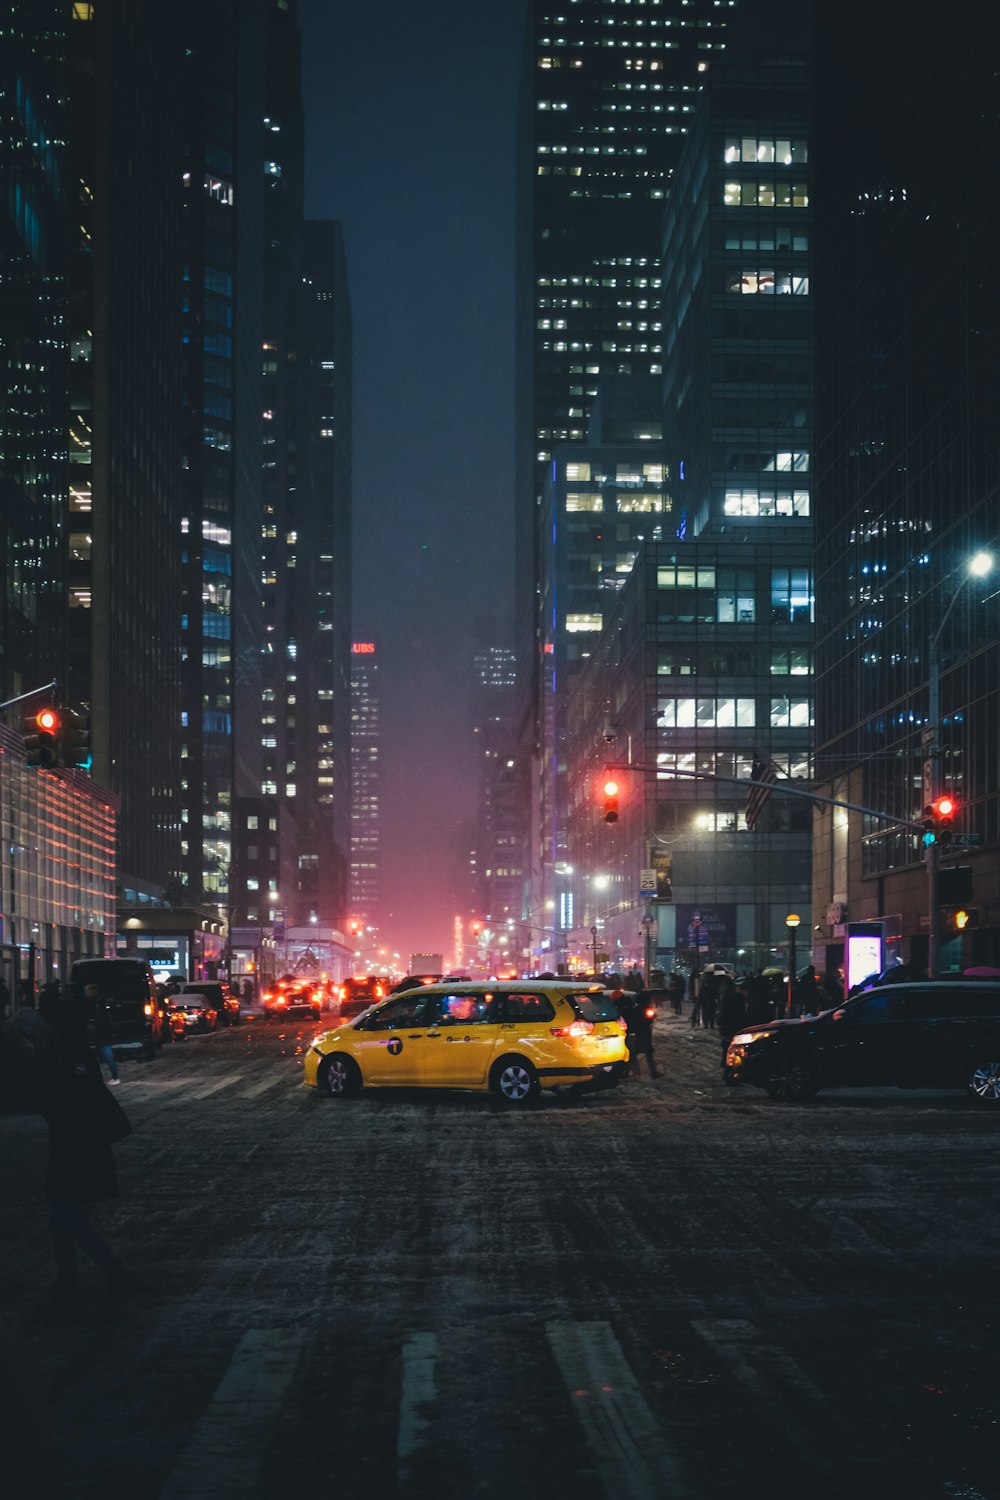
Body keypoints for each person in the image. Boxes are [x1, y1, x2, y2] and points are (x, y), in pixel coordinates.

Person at [37, 997, 134, 1313]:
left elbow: (70, 1103)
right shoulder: (67, 1054)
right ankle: (70, 1283)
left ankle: (111, 1276)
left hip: (79, 1149)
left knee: (69, 1220)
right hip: (71, 1147)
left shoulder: (72, 1057)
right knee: (62, 1219)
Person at [617, 987, 661, 1079]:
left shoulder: (635, 1008)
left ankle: (628, 1071)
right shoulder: (640, 1009)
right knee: (642, 1052)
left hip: (639, 1032)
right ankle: (652, 1072)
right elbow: (648, 1019)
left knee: (634, 1053)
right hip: (642, 1033)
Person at [86, 981, 120, 1085]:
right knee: (107, 1057)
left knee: (107, 1057)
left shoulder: (100, 1011)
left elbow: (101, 1024)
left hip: (103, 1037)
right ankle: (114, 1077)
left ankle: (115, 1077)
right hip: (104, 1036)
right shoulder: (104, 1009)